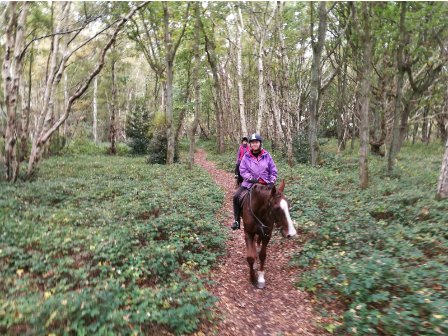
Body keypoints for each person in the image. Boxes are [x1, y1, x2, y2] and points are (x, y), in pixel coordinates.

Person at [231, 133, 277, 230]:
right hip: (249, 184)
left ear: (260, 144)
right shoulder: (246, 156)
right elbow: (242, 170)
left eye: (256, 142)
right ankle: (236, 221)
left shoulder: (267, 155)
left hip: (265, 184)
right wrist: (251, 179)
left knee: (278, 200)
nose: (254, 144)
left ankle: (277, 222)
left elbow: (273, 170)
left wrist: (272, 181)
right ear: (250, 145)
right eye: (252, 143)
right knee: (236, 197)